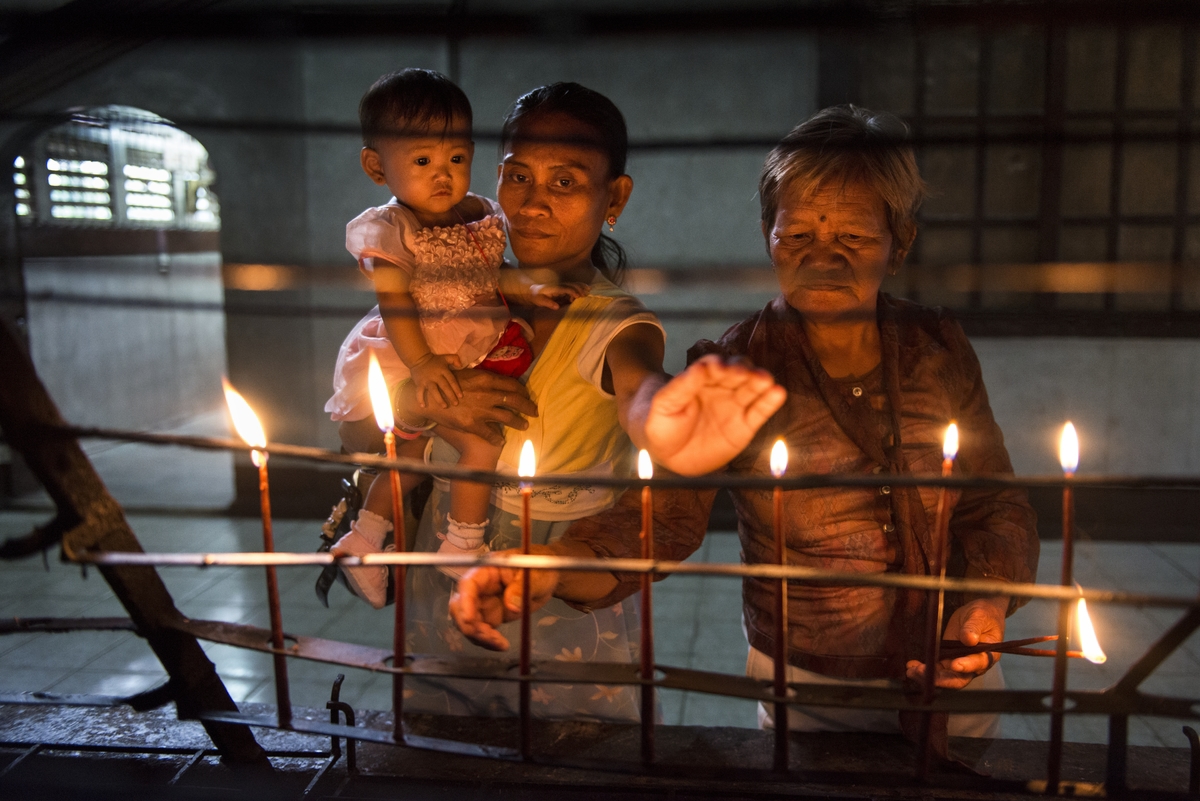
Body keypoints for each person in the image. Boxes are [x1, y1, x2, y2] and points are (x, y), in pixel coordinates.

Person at [449, 105, 1040, 743]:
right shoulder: (736, 367)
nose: (824, 261)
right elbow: (659, 522)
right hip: (807, 685)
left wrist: (986, 602)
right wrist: (551, 565)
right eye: (798, 238)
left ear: (900, 243)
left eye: (854, 239)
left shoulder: (937, 346)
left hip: (956, 670)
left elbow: (992, 501)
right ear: (767, 236)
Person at [337, 82, 782, 720]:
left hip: (552, 585)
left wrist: (669, 421)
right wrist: (420, 404)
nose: (534, 203)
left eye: (566, 181)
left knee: (565, 754)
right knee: (446, 748)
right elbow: (360, 427)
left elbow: (638, 389)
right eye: (517, 176)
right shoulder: (455, 295)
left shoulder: (615, 323)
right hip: (440, 567)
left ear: (614, 198)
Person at [323, 69, 587, 607]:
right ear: (378, 166)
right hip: (417, 351)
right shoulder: (391, 228)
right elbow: (395, 303)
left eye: (456, 160)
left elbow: (497, 273)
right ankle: (462, 545)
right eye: (422, 162)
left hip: (467, 342)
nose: (442, 176)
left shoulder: (481, 215)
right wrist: (421, 365)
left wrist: (533, 287)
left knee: (413, 459)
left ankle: (364, 538)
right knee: (478, 442)